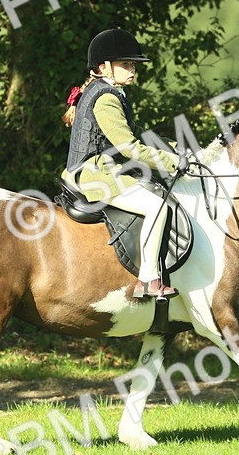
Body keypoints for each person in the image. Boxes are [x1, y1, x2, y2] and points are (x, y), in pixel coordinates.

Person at [61, 28, 180, 299]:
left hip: (99, 168)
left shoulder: (108, 91)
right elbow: (129, 147)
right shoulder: (105, 98)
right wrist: (171, 163)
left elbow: (134, 131)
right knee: (157, 206)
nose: (132, 70)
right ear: (104, 67)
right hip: (95, 173)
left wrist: (174, 148)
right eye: (125, 64)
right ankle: (148, 280)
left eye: (132, 64)